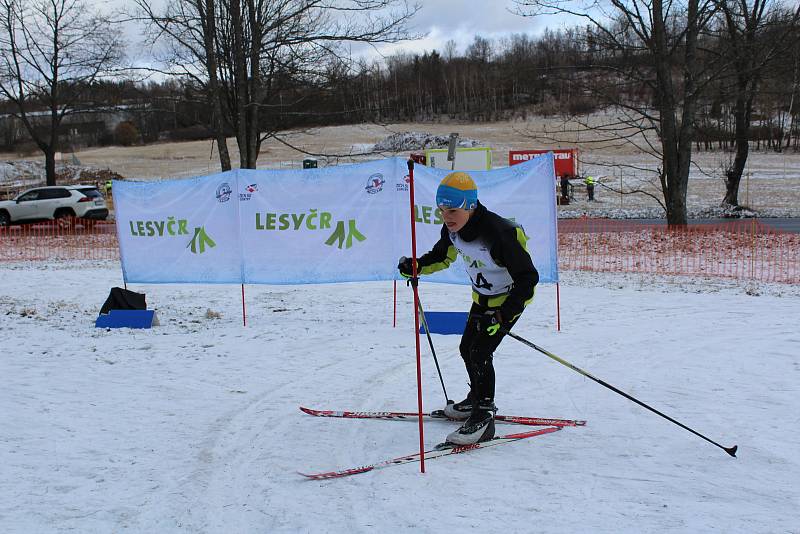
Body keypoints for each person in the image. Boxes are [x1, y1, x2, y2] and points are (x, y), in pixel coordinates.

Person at [398, 171, 539, 445]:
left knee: (480, 351)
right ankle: (475, 397)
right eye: (441, 210)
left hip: (509, 300)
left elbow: (528, 279)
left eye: (452, 210)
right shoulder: (453, 230)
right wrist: (416, 266)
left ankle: (484, 416)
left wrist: (503, 315)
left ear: (471, 206)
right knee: (467, 349)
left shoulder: (499, 233)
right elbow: (441, 257)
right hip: (482, 299)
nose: (447, 217)